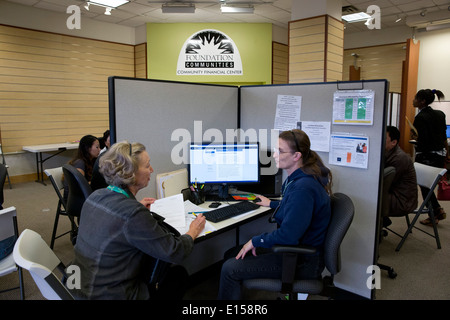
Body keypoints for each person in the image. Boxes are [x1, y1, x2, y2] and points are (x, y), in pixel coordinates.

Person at [70, 141, 205, 300]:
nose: (152, 170)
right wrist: (192, 231)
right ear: (130, 173)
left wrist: (135, 207)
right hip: (108, 295)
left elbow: (116, 219)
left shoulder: (95, 196)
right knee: (178, 275)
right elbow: (175, 251)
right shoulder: (132, 214)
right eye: (147, 166)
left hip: (78, 286)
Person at [217, 129, 332, 300]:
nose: (275, 155)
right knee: (232, 254)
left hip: (301, 261)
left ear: (296, 156)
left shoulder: (303, 188)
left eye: (280, 151)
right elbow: (298, 209)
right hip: (297, 251)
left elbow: (288, 236)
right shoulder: (302, 179)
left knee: (229, 267)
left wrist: (255, 240)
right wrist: (272, 203)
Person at [412, 89, 447, 226]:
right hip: (439, 154)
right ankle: (437, 209)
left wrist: (415, 137)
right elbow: (443, 136)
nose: (413, 100)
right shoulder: (440, 114)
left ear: (422, 101)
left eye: (415, 98)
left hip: (426, 156)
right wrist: (447, 153)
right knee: (431, 186)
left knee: (425, 186)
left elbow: (423, 141)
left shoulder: (420, 118)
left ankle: (434, 214)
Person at [383, 126, 418, 227]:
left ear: (393, 142)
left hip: (402, 201)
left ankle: (378, 224)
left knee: (370, 197)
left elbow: (385, 183)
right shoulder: (388, 153)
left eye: (384, 138)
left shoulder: (399, 158)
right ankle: (381, 221)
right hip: (395, 193)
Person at [63, 135, 100, 200]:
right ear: (88, 148)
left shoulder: (91, 161)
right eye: (97, 147)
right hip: (75, 200)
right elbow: (80, 186)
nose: (100, 150)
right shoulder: (80, 163)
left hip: (80, 197)